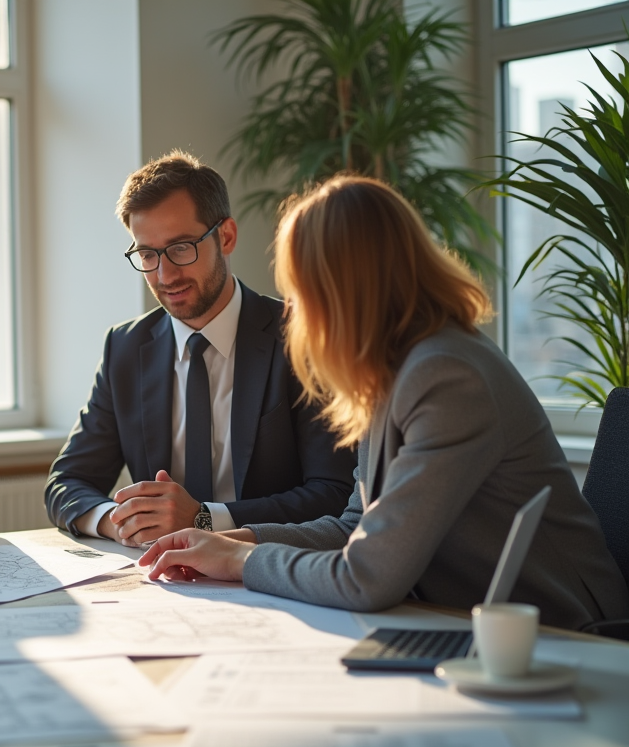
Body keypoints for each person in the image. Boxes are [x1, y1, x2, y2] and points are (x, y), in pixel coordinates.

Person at [140, 175, 629, 630]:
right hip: (467, 624)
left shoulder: (447, 374)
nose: (297, 313)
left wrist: (239, 562)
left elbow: (368, 576)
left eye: (303, 291)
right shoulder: (393, 370)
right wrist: (231, 541)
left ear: (343, 290)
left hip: (567, 636)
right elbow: (355, 526)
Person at [45, 151, 355, 547]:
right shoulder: (125, 347)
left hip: (274, 572)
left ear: (225, 236)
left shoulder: (303, 336)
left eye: (180, 247)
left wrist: (206, 520)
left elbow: (335, 492)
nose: (164, 274)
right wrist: (122, 520)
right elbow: (67, 482)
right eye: (147, 254)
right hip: (164, 582)